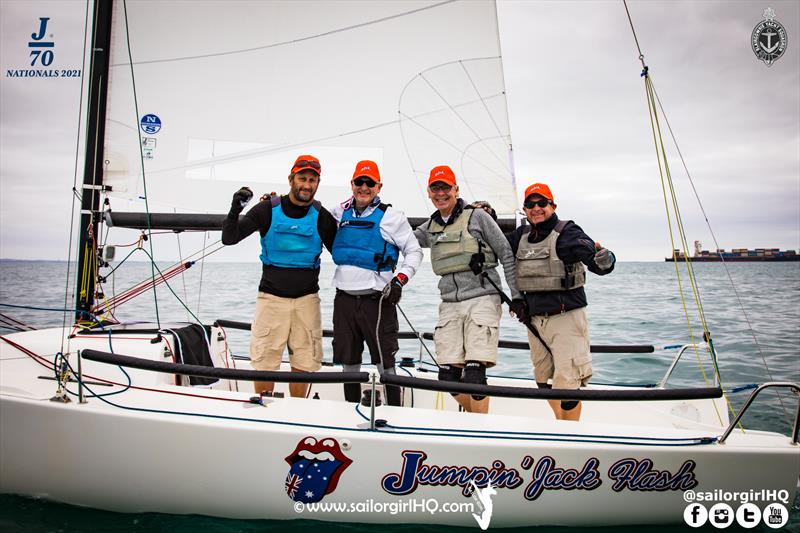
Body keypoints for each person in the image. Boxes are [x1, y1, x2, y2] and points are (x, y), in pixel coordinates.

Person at [221, 155, 337, 398]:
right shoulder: (267, 209)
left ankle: (298, 411)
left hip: (307, 301)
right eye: (302, 178)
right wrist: (235, 208)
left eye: (312, 180)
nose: (307, 185)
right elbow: (230, 238)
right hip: (271, 300)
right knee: (265, 362)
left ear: (318, 183)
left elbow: (343, 254)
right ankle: (264, 410)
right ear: (291, 179)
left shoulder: (322, 216)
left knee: (305, 362)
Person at [414, 165, 520, 414]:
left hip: (483, 297)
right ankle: (475, 417)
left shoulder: (478, 217)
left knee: (474, 375)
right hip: (449, 302)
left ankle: (480, 430)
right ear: (429, 192)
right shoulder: (429, 227)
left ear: (456, 189)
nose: (441, 193)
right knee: (447, 378)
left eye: (445, 188)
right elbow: (401, 240)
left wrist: (517, 297)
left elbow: (506, 252)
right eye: (435, 188)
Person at [506, 182, 615, 421]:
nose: (536, 208)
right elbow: (494, 249)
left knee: (568, 387)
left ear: (552, 205)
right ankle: (561, 426)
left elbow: (598, 263)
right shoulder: (519, 237)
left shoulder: (568, 233)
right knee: (543, 381)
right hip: (535, 322)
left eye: (542, 203)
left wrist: (605, 258)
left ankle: (570, 435)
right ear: (524, 209)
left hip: (566, 319)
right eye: (530, 204)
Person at [331, 160, 423, 406]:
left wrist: (400, 281)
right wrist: (275, 202)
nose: (363, 187)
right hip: (344, 301)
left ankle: (396, 413)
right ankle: (350, 411)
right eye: (359, 182)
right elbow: (307, 213)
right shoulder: (338, 213)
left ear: (378, 186)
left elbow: (414, 252)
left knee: (386, 362)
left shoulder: (392, 217)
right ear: (352, 184)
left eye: (369, 183)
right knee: (348, 362)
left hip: (377, 302)